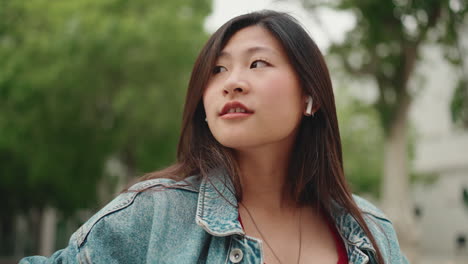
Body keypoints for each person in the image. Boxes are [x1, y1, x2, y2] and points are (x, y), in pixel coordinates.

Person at [21, 10, 408, 264]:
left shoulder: (371, 231)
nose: (232, 83)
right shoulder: (155, 214)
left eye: (258, 63)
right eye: (217, 70)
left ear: (310, 95)